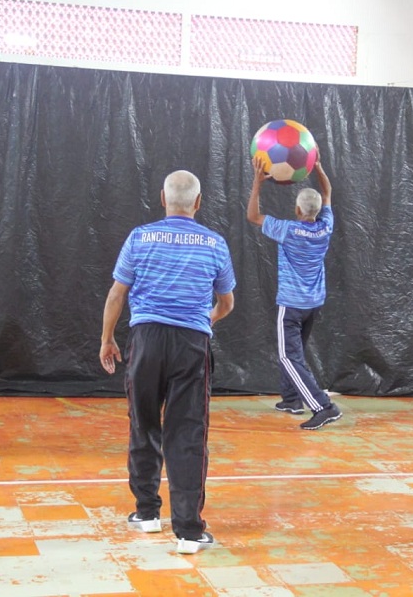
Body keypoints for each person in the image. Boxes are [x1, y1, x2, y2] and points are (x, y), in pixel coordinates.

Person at [100, 170, 235, 555]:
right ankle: (189, 531)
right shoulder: (214, 243)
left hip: (145, 342)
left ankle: (146, 512)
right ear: (198, 202)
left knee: (143, 422)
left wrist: (107, 339)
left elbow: (116, 294)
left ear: (162, 198)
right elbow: (226, 303)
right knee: (187, 433)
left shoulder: (140, 237)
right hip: (191, 346)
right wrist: (204, 320)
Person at [247, 153, 341, 431]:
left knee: (289, 357)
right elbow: (328, 191)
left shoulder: (287, 230)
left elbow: (252, 215)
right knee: (294, 353)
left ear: (298, 211)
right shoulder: (326, 226)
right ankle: (291, 399)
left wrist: (257, 182)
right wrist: (320, 165)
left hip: (292, 304)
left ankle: (324, 407)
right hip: (313, 304)